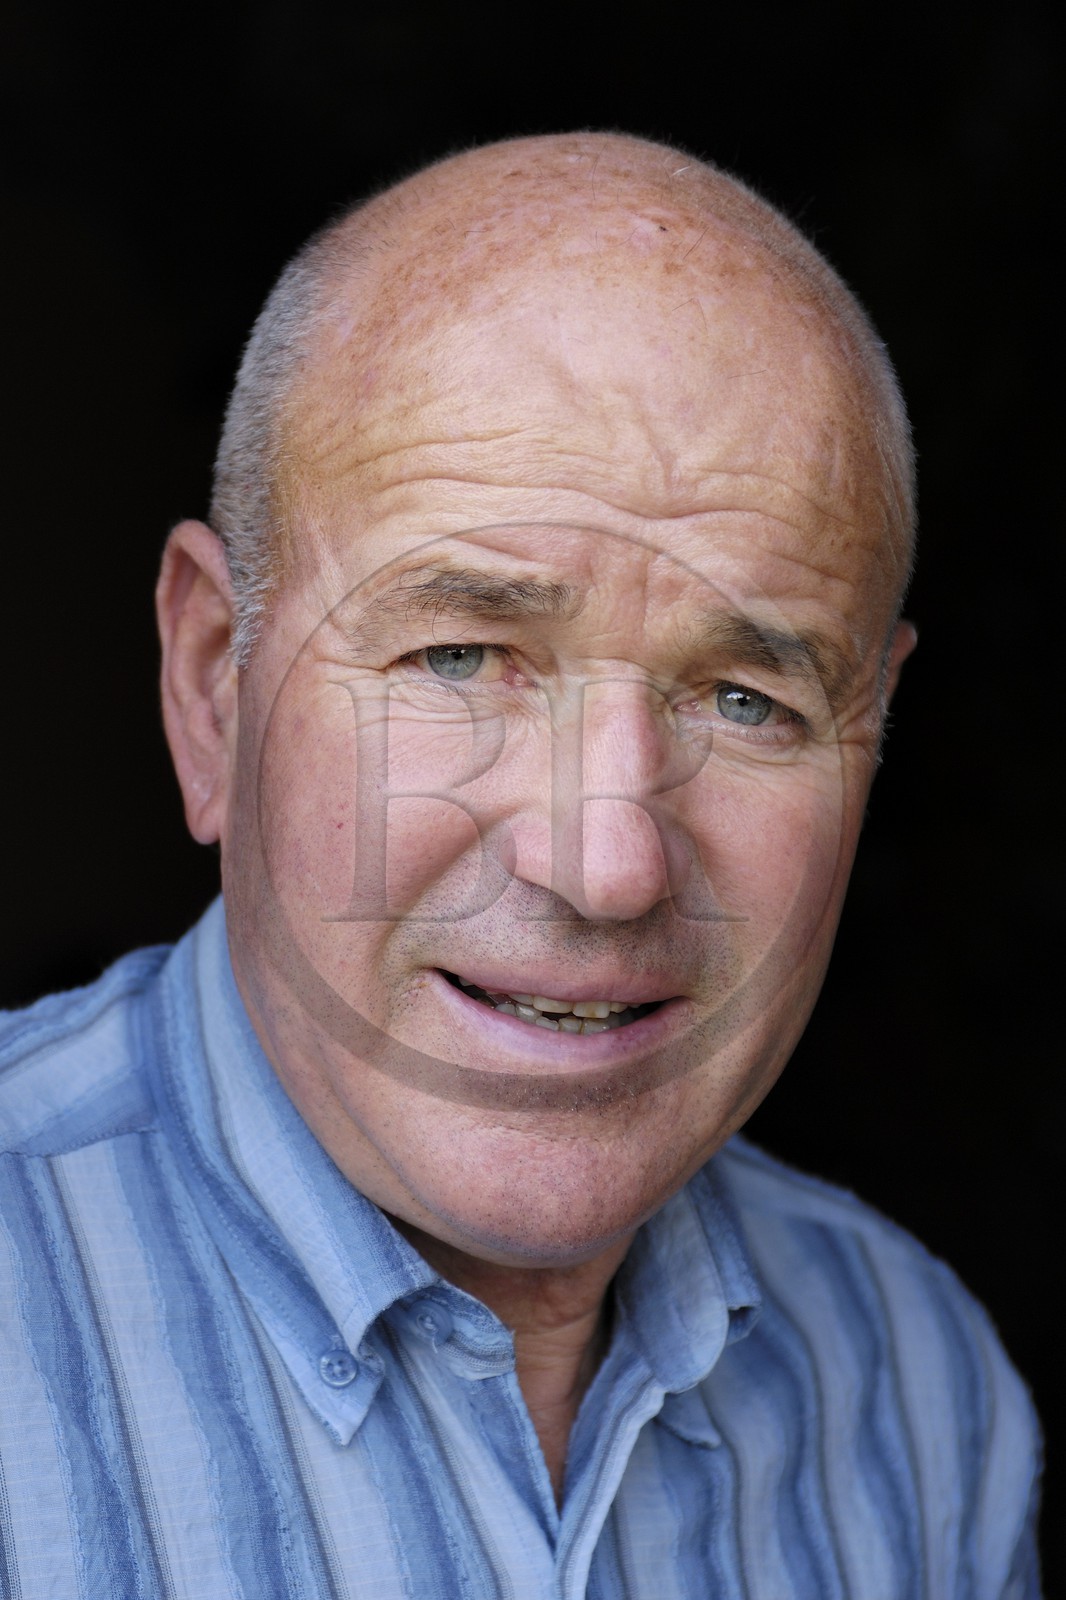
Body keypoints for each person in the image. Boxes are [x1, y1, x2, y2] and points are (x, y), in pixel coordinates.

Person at [0, 132, 1041, 1597]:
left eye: (745, 698)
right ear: (215, 684)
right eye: (463, 656)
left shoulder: (919, 1399)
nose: (606, 862)